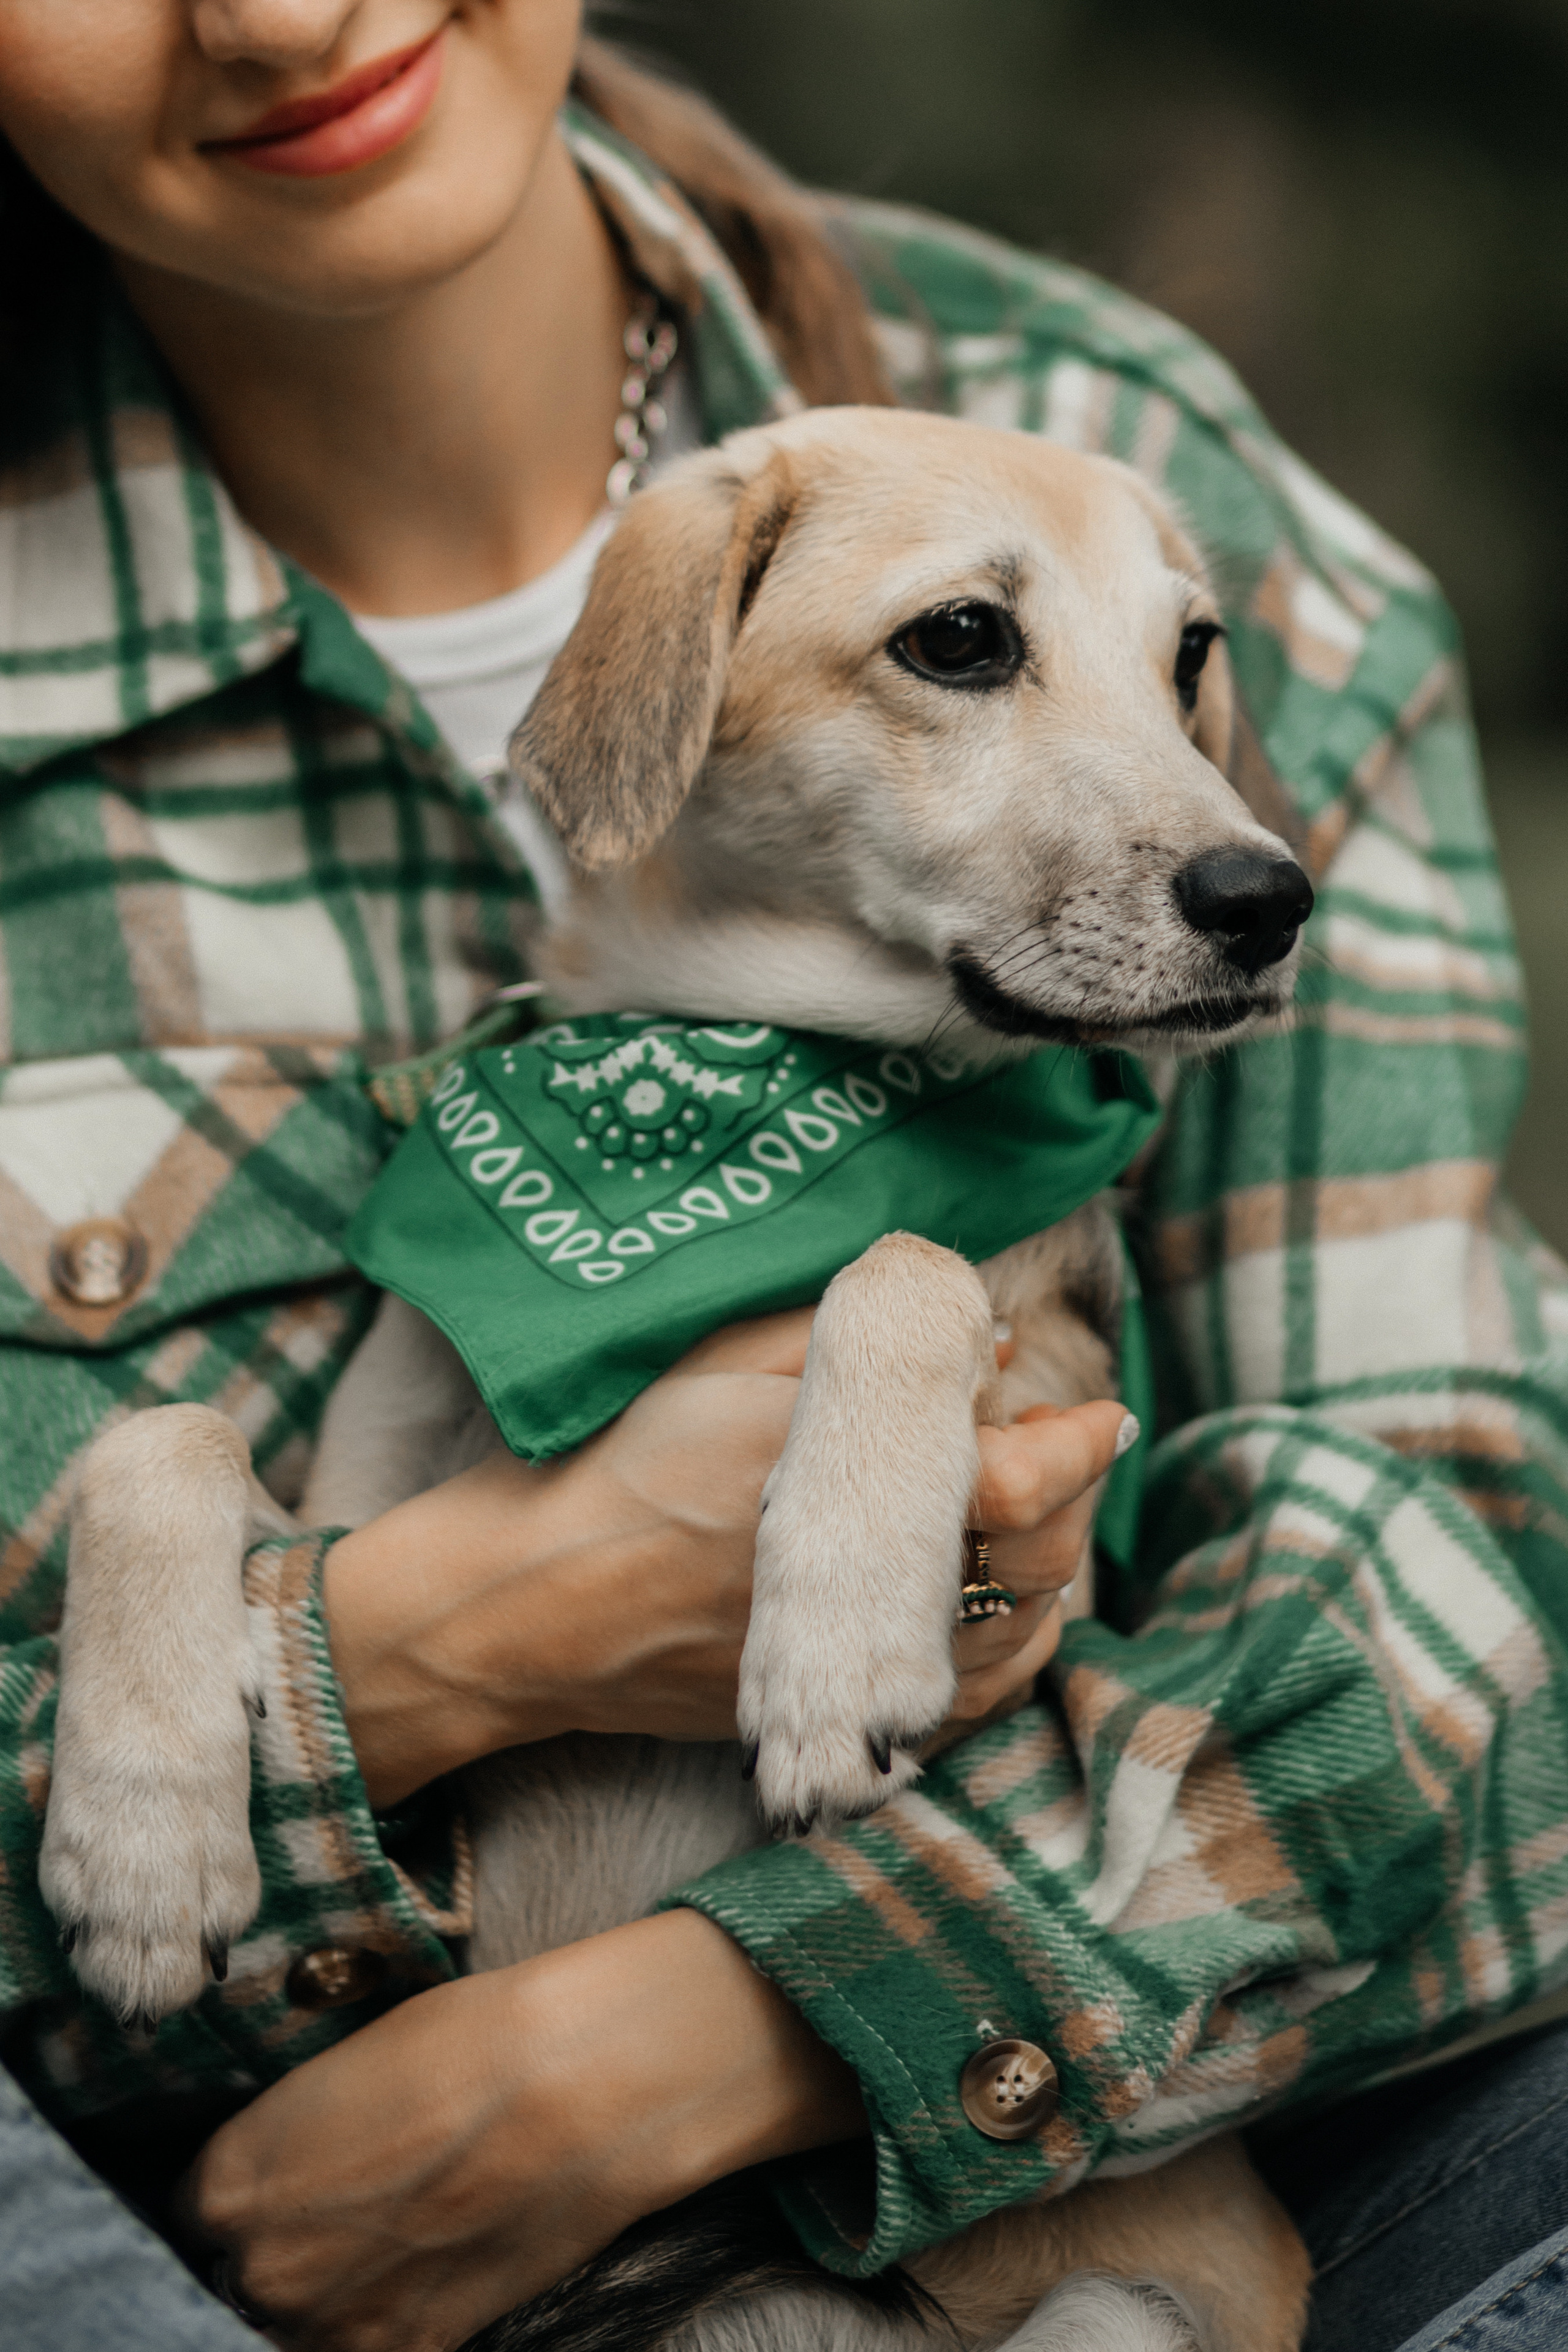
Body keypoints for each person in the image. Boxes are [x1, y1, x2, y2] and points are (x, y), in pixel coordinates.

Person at [1, 7, 1565, 2350]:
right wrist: (444, 1648)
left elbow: (1477, 1595)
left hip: (1024, 2231)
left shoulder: (1114, 444)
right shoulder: (549, 1057)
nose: (281, 15)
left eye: (1185, 683)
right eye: (961, 653)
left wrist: (728, 2036)